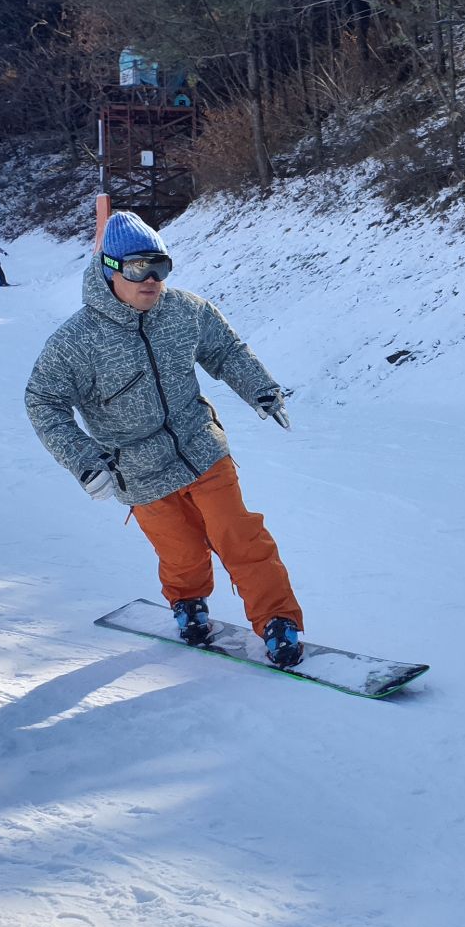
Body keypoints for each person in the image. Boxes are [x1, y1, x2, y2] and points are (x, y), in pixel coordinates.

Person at [24, 202, 307, 668]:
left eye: (160, 267)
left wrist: (260, 388)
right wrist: (84, 460)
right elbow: (43, 402)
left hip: (201, 448)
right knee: (181, 554)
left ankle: (278, 621)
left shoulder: (185, 311)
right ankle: (187, 603)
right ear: (109, 269)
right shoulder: (76, 341)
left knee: (240, 536)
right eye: (139, 269)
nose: (152, 279)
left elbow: (224, 350)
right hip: (137, 470)